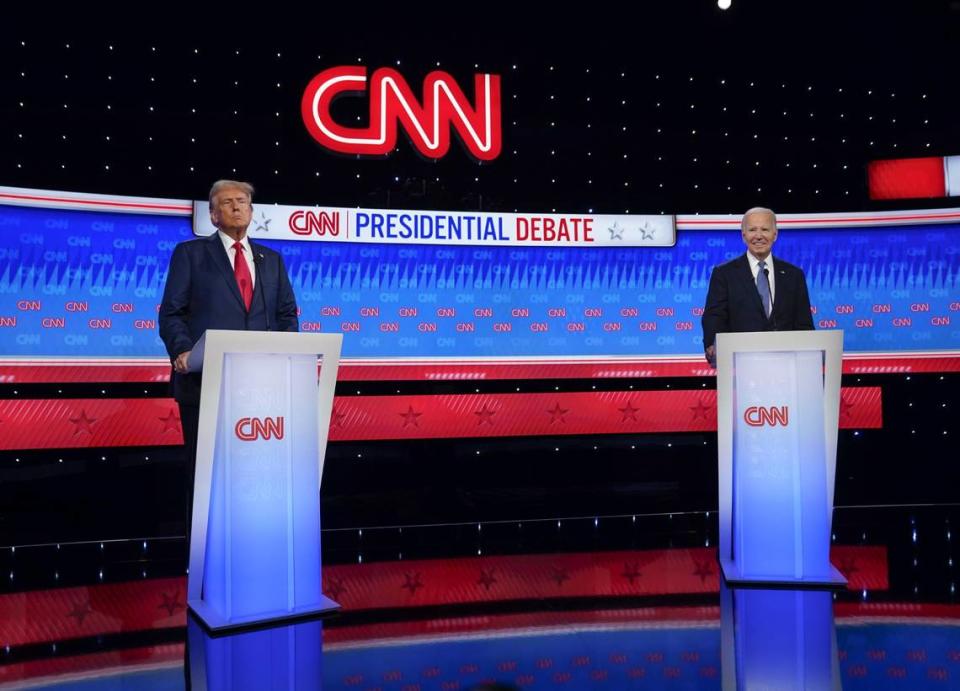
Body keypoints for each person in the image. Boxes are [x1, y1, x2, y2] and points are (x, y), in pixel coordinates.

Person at [158, 179, 299, 544]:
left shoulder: (272, 260)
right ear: (213, 214)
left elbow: (287, 316)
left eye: (242, 201)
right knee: (208, 477)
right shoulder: (190, 254)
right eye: (227, 203)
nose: (237, 207)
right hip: (206, 384)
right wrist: (182, 351)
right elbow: (172, 313)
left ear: (252, 211)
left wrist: (287, 356)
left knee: (255, 476)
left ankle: (255, 545)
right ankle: (204, 555)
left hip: (261, 392)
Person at [701, 207, 813, 366]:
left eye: (765, 229)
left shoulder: (794, 275)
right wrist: (713, 346)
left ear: (775, 234)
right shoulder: (724, 273)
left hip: (787, 366)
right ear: (743, 235)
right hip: (740, 365)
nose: (758, 236)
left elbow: (804, 323)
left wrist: (808, 356)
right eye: (752, 229)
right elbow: (714, 316)